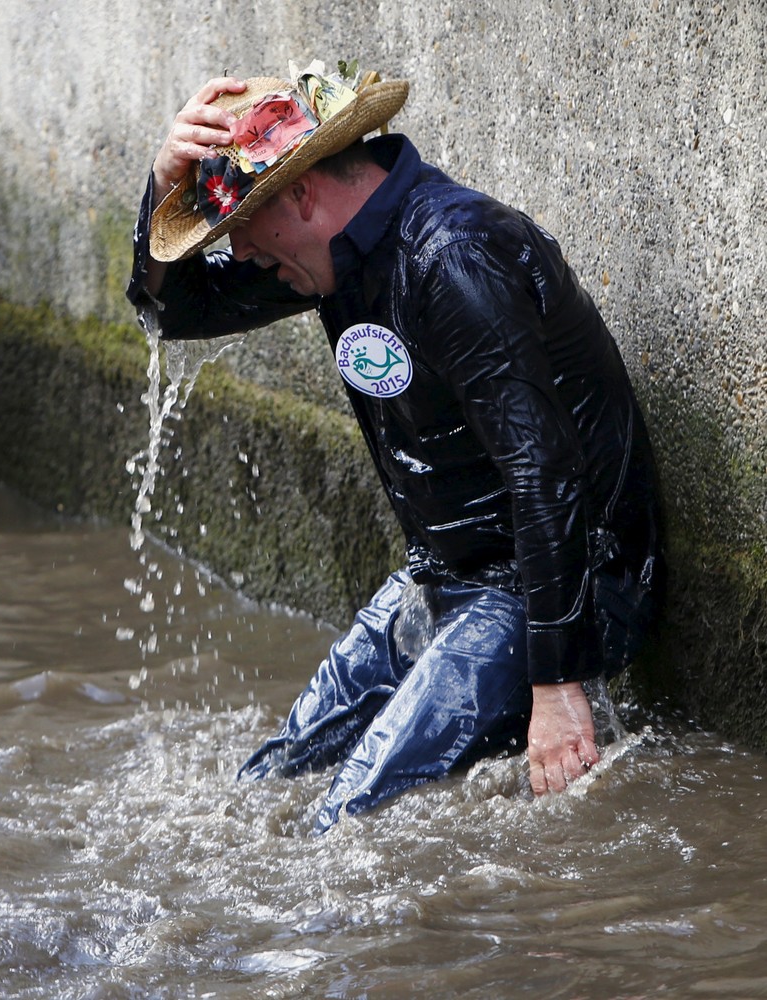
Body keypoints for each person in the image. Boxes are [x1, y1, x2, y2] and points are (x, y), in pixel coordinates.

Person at [126, 66, 663, 833]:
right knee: (266, 787)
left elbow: (544, 474)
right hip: (446, 576)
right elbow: (170, 312)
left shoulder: (452, 256)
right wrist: (160, 183)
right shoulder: (330, 252)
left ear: (299, 194)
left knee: (342, 828)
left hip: (561, 582)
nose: (236, 253)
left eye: (236, 226)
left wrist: (557, 684)